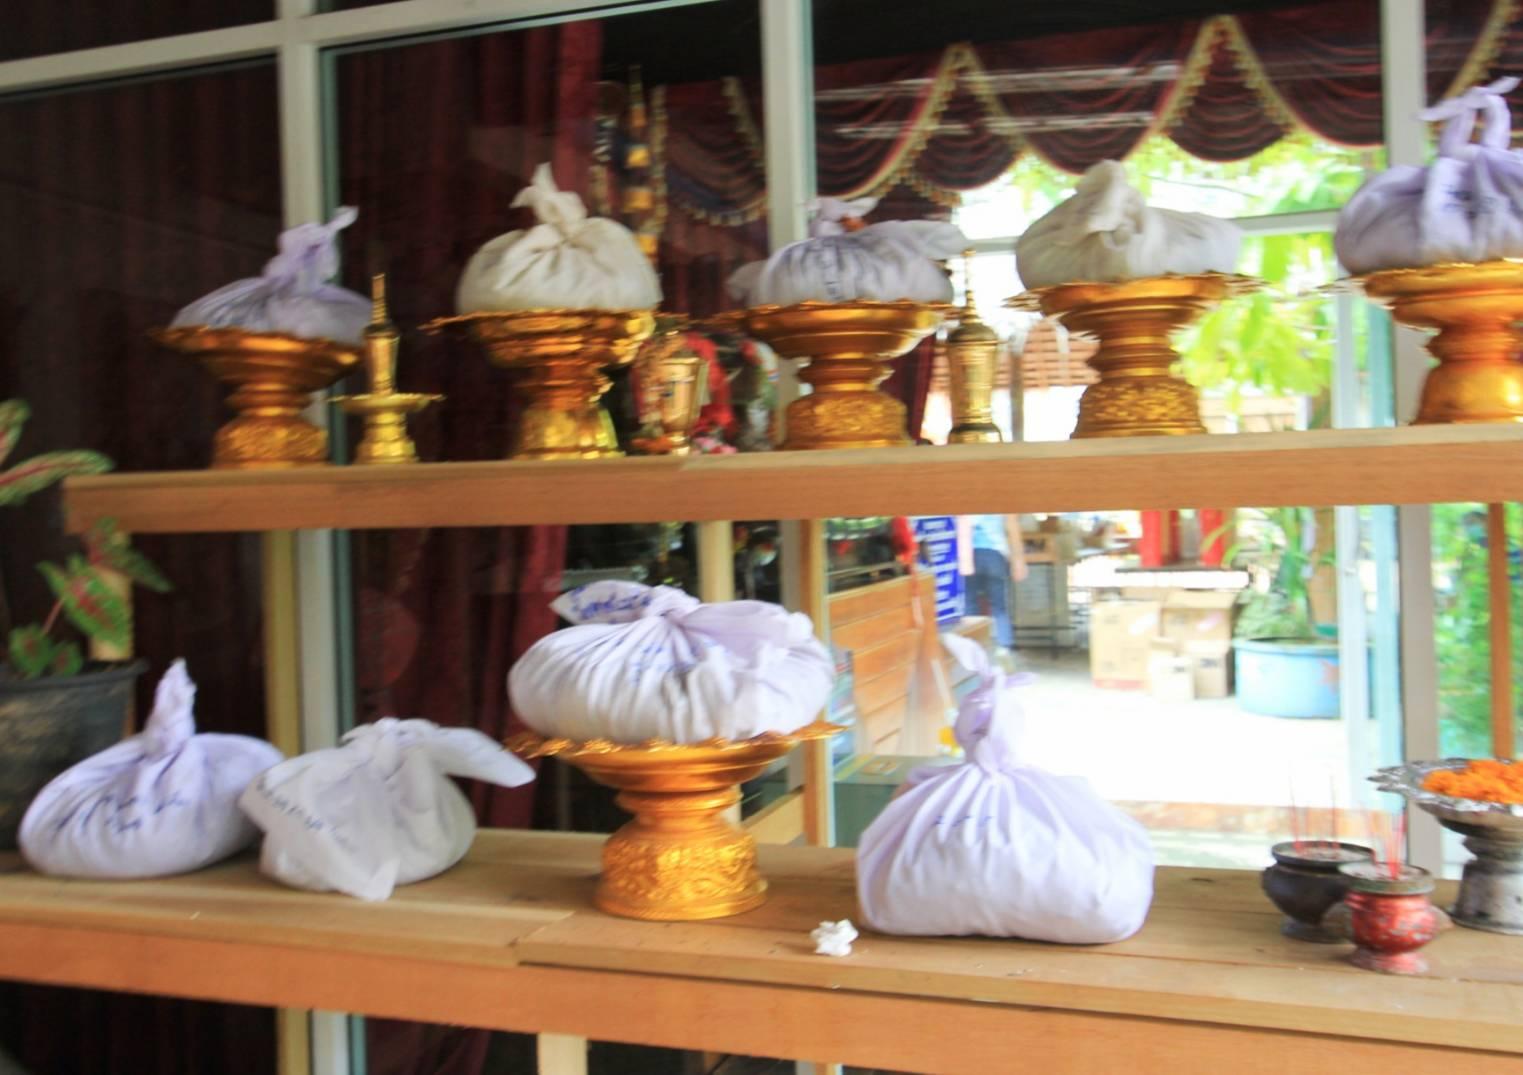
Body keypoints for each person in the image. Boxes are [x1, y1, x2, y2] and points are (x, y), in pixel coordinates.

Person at [956, 514, 1028, 667]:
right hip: (996, 556)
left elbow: (960, 528)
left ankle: (972, 647)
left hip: (970, 555)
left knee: (970, 605)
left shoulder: (965, 504)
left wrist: (962, 562)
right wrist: (1018, 562)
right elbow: (1013, 530)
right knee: (999, 606)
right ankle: (1004, 647)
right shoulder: (1001, 504)